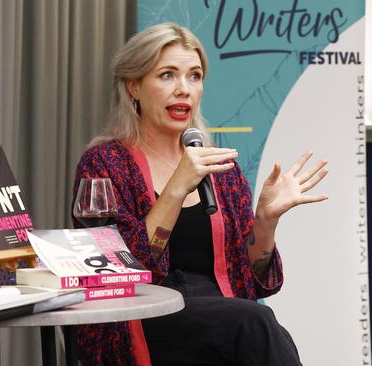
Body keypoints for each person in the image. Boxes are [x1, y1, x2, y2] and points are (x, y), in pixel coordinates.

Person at [71, 22, 328, 366]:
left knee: (262, 325)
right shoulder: (106, 162)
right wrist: (176, 187)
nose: (184, 90)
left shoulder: (220, 168)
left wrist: (265, 222)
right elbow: (120, 270)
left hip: (222, 316)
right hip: (143, 318)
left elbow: (258, 284)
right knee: (255, 322)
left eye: (194, 76)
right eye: (167, 75)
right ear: (133, 86)